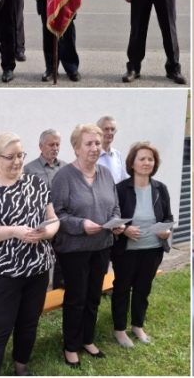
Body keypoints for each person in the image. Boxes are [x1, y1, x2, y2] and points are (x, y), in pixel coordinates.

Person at [0, 132, 60, 376]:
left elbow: (53, 219)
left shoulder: (36, 183)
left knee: (29, 323)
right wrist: (13, 231)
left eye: (20, 155)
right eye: (10, 157)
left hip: (37, 270)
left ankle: (21, 366)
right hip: (0, 274)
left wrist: (46, 233)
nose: (17, 162)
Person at [51, 123, 125, 367]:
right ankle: (71, 346)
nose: (95, 148)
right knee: (76, 298)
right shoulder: (64, 177)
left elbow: (115, 206)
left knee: (93, 296)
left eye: (97, 143)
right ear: (76, 148)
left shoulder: (105, 174)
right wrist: (81, 224)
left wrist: (115, 223)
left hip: (102, 246)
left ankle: (87, 339)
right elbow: (57, 214)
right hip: (74, 250)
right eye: (89, 143)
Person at [112, 141, 173, 348]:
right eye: (142, 159)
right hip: (126, 250)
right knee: (122, 289)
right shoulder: (121, 189)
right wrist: (126, 229)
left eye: (150, 159)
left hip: (153, 249)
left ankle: (137, 326)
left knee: (143, 289)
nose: (147, 162)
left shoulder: (160, 189)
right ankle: (120, 330)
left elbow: (168, 217)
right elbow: (114, 218)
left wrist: (166, 231)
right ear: (132, 163)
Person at [24, 128, 67, 290]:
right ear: (41, 146)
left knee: (62, 262)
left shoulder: (66, 167)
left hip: (63, 220)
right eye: (51, 144)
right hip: (42, 224)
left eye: (57, 144)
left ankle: (58, 292)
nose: (55, 148)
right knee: (40, 262)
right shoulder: (29, 169)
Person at [97, 115, 129, 182]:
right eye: (106, 129)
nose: (110, 132)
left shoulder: (117, 155)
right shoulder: (92, 155)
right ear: (98, 131)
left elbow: (124, 179)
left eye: (112, 129)